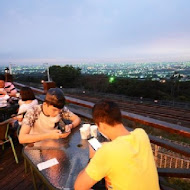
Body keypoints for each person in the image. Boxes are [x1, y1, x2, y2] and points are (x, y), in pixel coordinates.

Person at [74, 100, 160, 190]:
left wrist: (93, 158)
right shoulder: (141, 134)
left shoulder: (107, 152)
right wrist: (106, 146)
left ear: (102, 125)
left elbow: (79, 187)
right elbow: (125, 143)